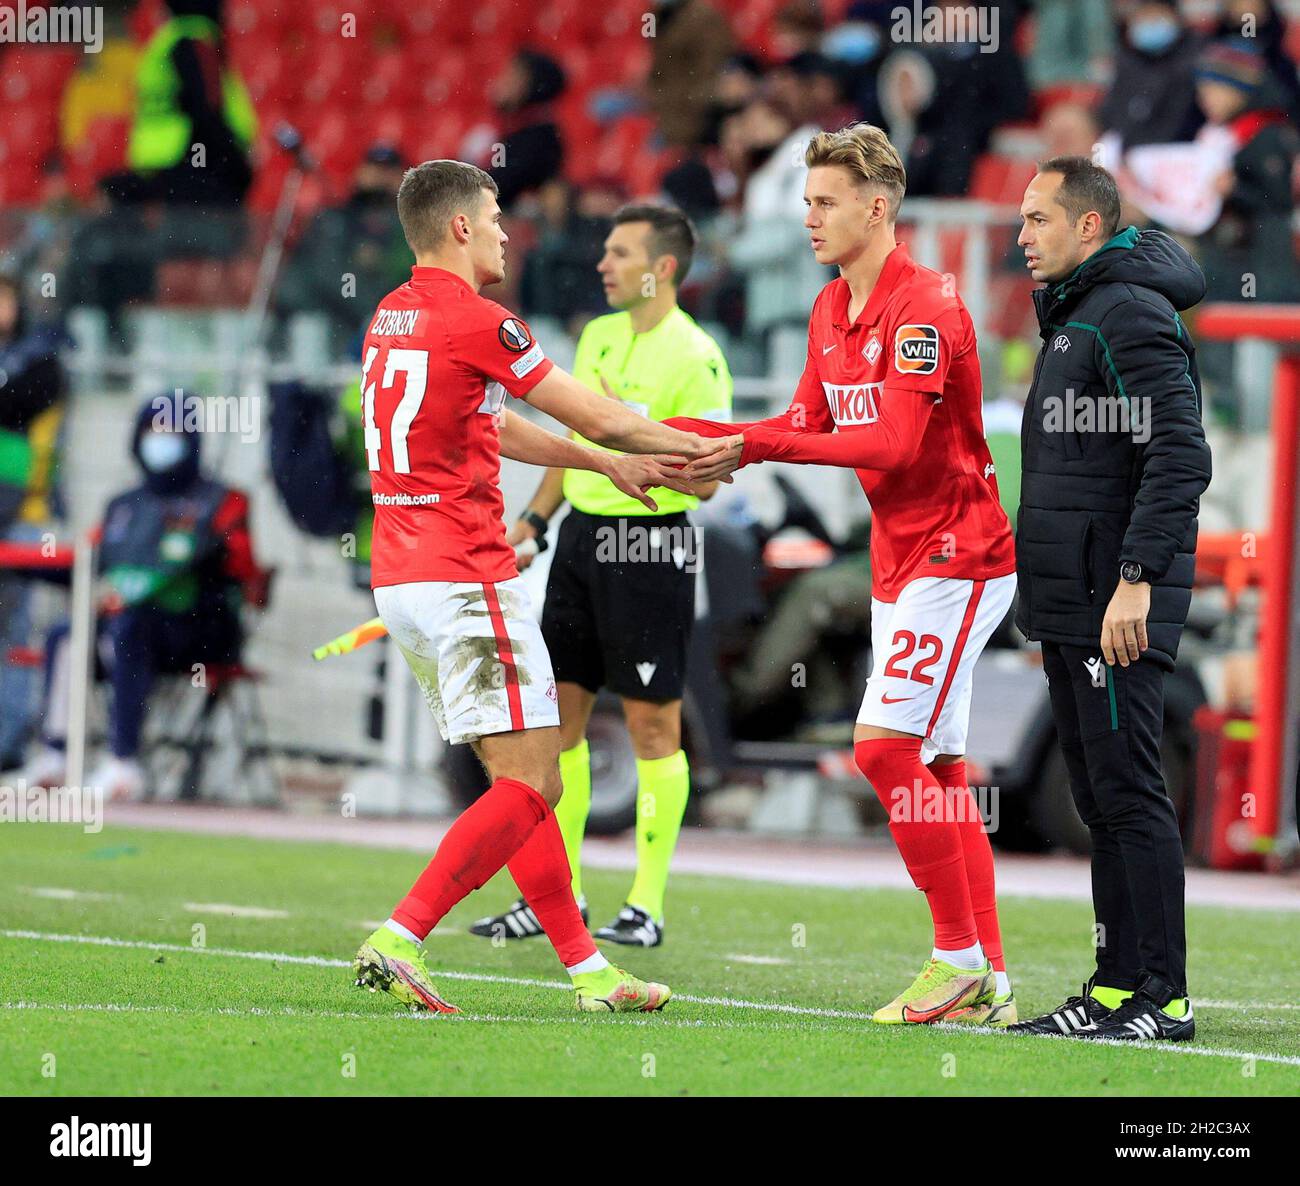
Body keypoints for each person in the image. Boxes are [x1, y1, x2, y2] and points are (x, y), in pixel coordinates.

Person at [666, 124, 1020, 1026]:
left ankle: (955, 962)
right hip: (901, 557)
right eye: (806, 200)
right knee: (935, 765)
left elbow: (892, 445)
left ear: (878, 206)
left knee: (880, 749)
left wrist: (754, 441)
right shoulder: (830, 308)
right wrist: (721, 450)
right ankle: (991, 977)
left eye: (825, 202)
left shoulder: (929, 305)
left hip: (960, 551)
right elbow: (804, 416)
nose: (809, 218)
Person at [348, 160, 715, 1015]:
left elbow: (499, 422)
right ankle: (402, 935)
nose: (509, 230)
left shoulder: (393, 315)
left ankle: (592, 976)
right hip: (466, 577)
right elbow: (598, 410)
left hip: (402, 581)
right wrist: (695, 449)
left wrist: (606, 462)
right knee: (531, 783)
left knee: (529, 783)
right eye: (497, 216)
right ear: (461, 228)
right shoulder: (480, 320)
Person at [469, 204, 732, 950]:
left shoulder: (696, 356)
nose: (603, 265)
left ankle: (645, 905)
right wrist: (535, 524)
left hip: (652, 548)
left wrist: (637, 438)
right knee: (560, 724)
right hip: (581, 543)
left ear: (664, 268)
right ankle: (564, 896)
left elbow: (710, 483)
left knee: (653, 725)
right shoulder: (596, 336)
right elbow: (570, 445)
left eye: (620, 253)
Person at [1009, 157, 1211, 1042]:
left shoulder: (1127, 312)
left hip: (1117, 602)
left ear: (1088, 227)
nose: (1021, 236)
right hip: (1075, 600)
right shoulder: (1077, 315)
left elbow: (1180, 455)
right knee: (1099, 800)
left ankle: (1164, 997)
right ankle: (1115, 985)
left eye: (1037, 219)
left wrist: (1133, 581)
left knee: (1129, 794)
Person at [24, 391, 267, 800]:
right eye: (152, 431)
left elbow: (246, 575)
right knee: (66, 635)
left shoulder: (223, 501)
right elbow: (88, 559)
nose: (160, 440)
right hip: (127, 631)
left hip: (197, 632)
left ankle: (123, 762)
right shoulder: (124, 504)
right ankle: (56, 756)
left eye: (171, 431)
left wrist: (211, 553)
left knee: (129, 628)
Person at [0, 273, 68, 770]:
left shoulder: (39, 361)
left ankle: (10, 742)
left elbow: (19, 403)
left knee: (16, 634)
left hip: (22, 513)